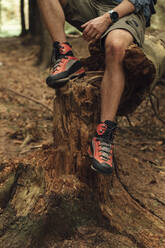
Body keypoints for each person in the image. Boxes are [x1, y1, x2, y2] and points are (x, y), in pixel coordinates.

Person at [37, 0, 156, 174]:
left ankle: (104, 136)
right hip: (93, 3)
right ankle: (65, 56)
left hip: (126, 12)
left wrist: (108, 18)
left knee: (115, 47)